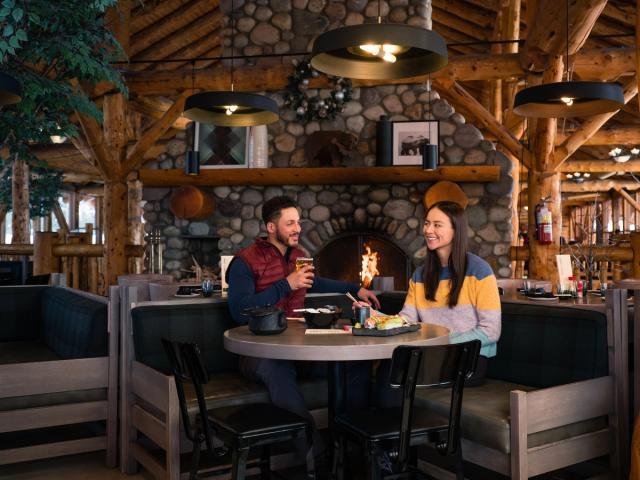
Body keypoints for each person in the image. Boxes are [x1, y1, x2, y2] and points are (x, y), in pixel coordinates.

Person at [226, 195, 380, 454]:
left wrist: (356, 289)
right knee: (277, 369)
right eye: (290, 223)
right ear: (271, 227)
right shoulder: (245, 261)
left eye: (298, 222)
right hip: (260, 352)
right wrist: (287, 284)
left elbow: (315, 282)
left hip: (300, 349)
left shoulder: (298, 256)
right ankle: (314, 454)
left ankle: (352, 446)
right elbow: (239, 311)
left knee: (355, 364)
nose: (298, 228)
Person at [353, 200, 501, 407]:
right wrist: (373, 315)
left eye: (437, 225)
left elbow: (491, 331)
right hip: (431, 354)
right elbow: (407, 320)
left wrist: (439, 342)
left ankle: (394, 435)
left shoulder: (479, 271)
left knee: (395, 371)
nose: (428, 230)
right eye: (426, 223)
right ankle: (386, 435)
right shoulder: (420, 274)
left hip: (467, 360)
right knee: (386, 369)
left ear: (456, 230)